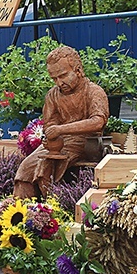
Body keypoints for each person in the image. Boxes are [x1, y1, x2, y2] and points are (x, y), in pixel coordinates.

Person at [14, 45, 109, 198]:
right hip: (58, 143)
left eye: (63, 76)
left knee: (45, 165)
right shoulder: (53, 95)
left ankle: (53, 208)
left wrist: (61, 129)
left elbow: (98, 122)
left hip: (87, 143)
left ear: (78, 70)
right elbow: (49, 123)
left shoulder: (93, 92)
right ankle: (23, 209)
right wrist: (50, 132)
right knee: (25, 168)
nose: (59, 82)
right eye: (54, 78)